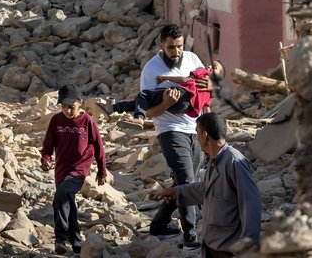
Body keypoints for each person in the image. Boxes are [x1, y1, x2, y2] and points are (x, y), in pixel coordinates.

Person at [141, 23, 212, 249]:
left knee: (185, 182)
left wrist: (211, 87)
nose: (176, 51)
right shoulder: (151, 71)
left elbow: (207, 90)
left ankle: (160, 223)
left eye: (179, 46)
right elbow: (147, 112)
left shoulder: (193, 59)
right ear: (161, 45)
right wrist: (166, 103)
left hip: (196, 128)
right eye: (171, 47)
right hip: (170, 131)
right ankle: (190, 233)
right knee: (186, 180)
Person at [156, 112, 262, 257]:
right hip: (212, 242)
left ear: (205, 135)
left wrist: (248, 245)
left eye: (197, 134)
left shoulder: (234, 161)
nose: (197, 140)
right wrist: (176, 192)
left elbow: (251, 202)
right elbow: (206, 189)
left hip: (228, 247)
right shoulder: (215, 159)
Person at [41, 84, 107, 255]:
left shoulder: (87, 122)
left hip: (79, 169)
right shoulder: (56, 120)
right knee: (67, 203)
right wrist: (45, 158)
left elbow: (99, 147)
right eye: (63, 107)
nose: (67, 111)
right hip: (61, 169)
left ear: (80, 102)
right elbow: (48, 143)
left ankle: (60, 238)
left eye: (71, 107)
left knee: (61, 196)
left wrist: (102, 171)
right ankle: (77, 242)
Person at [97, 60, 225, 130]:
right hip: (183, 109)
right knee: (144, 103)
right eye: (210, 64)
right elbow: (206, 109)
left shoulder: (203, 74)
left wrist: (165, 78)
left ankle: (139, 119)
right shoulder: (209, 92)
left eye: (213, 67)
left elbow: (185, 80)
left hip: (181, 96)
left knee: (144, 95)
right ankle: (113, 108)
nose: (209, 66)